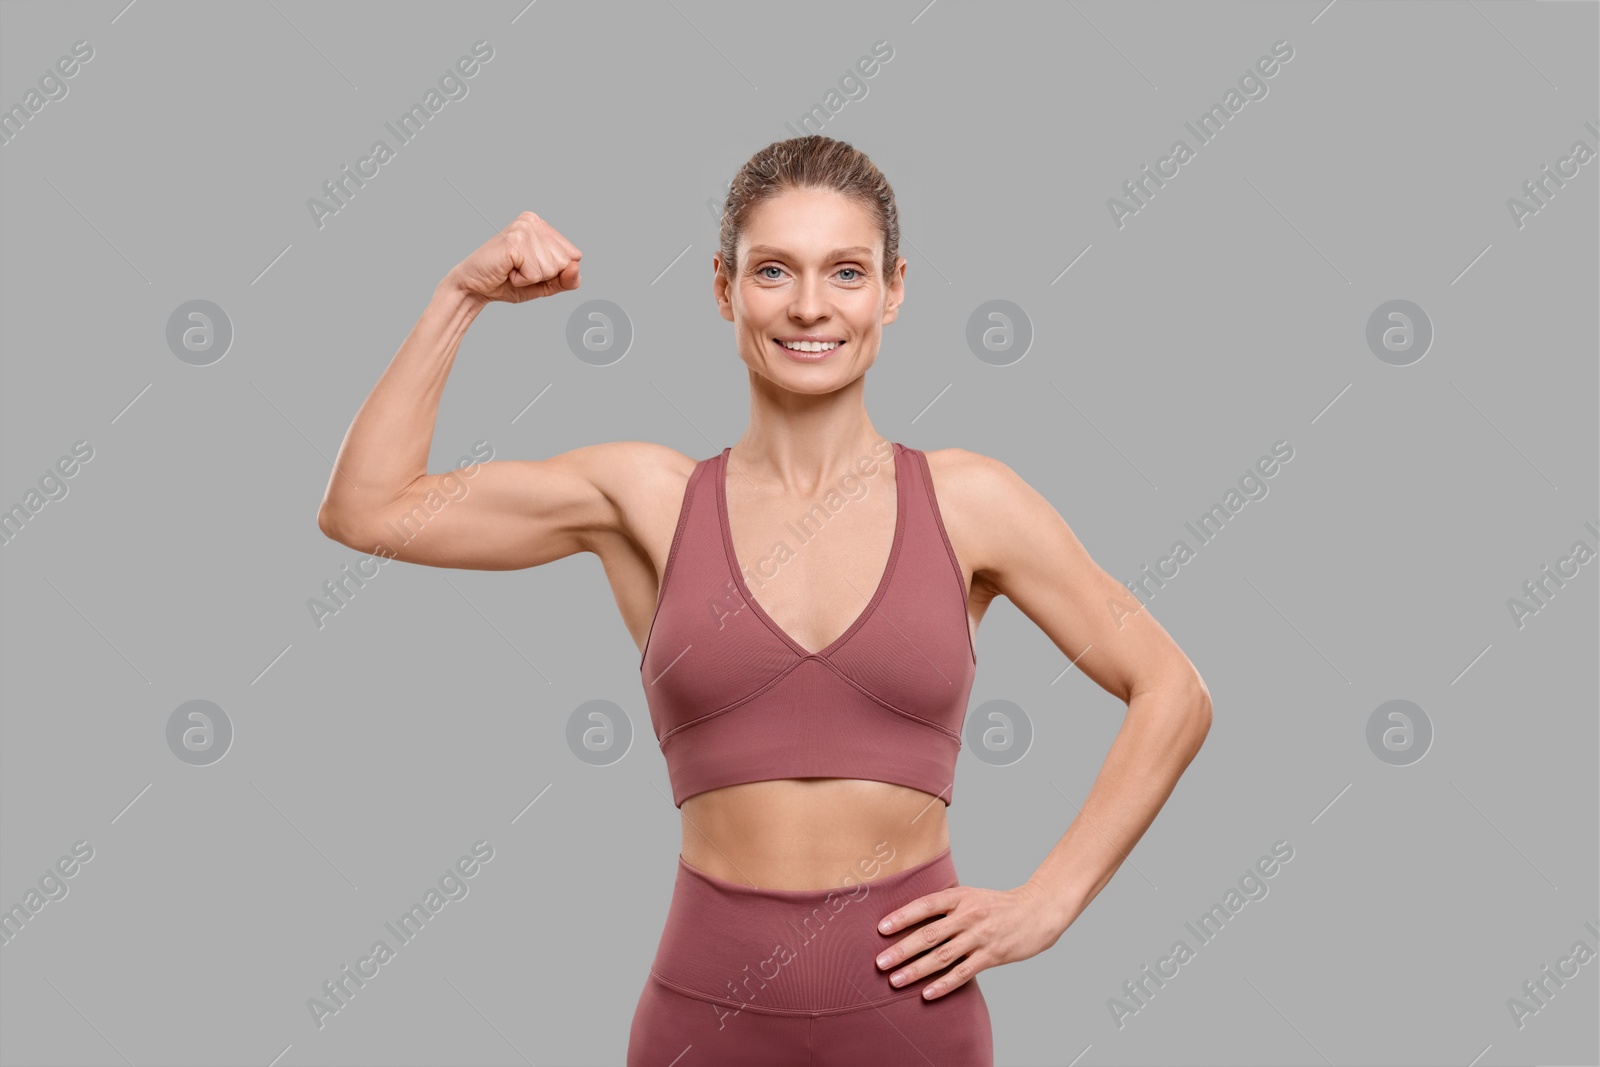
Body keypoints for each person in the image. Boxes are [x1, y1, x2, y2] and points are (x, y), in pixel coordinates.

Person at [316, 134, 1212, 1066]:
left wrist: (1050, 899)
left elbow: (1171, 690)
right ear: (722, 287)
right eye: (774, 270)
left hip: (915, 1013)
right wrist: (461, 297)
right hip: (704, 1016)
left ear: (894, 289)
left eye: (847, 272)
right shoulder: (646, 499)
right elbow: (366, 509)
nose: (811, 306)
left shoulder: (970, 500)